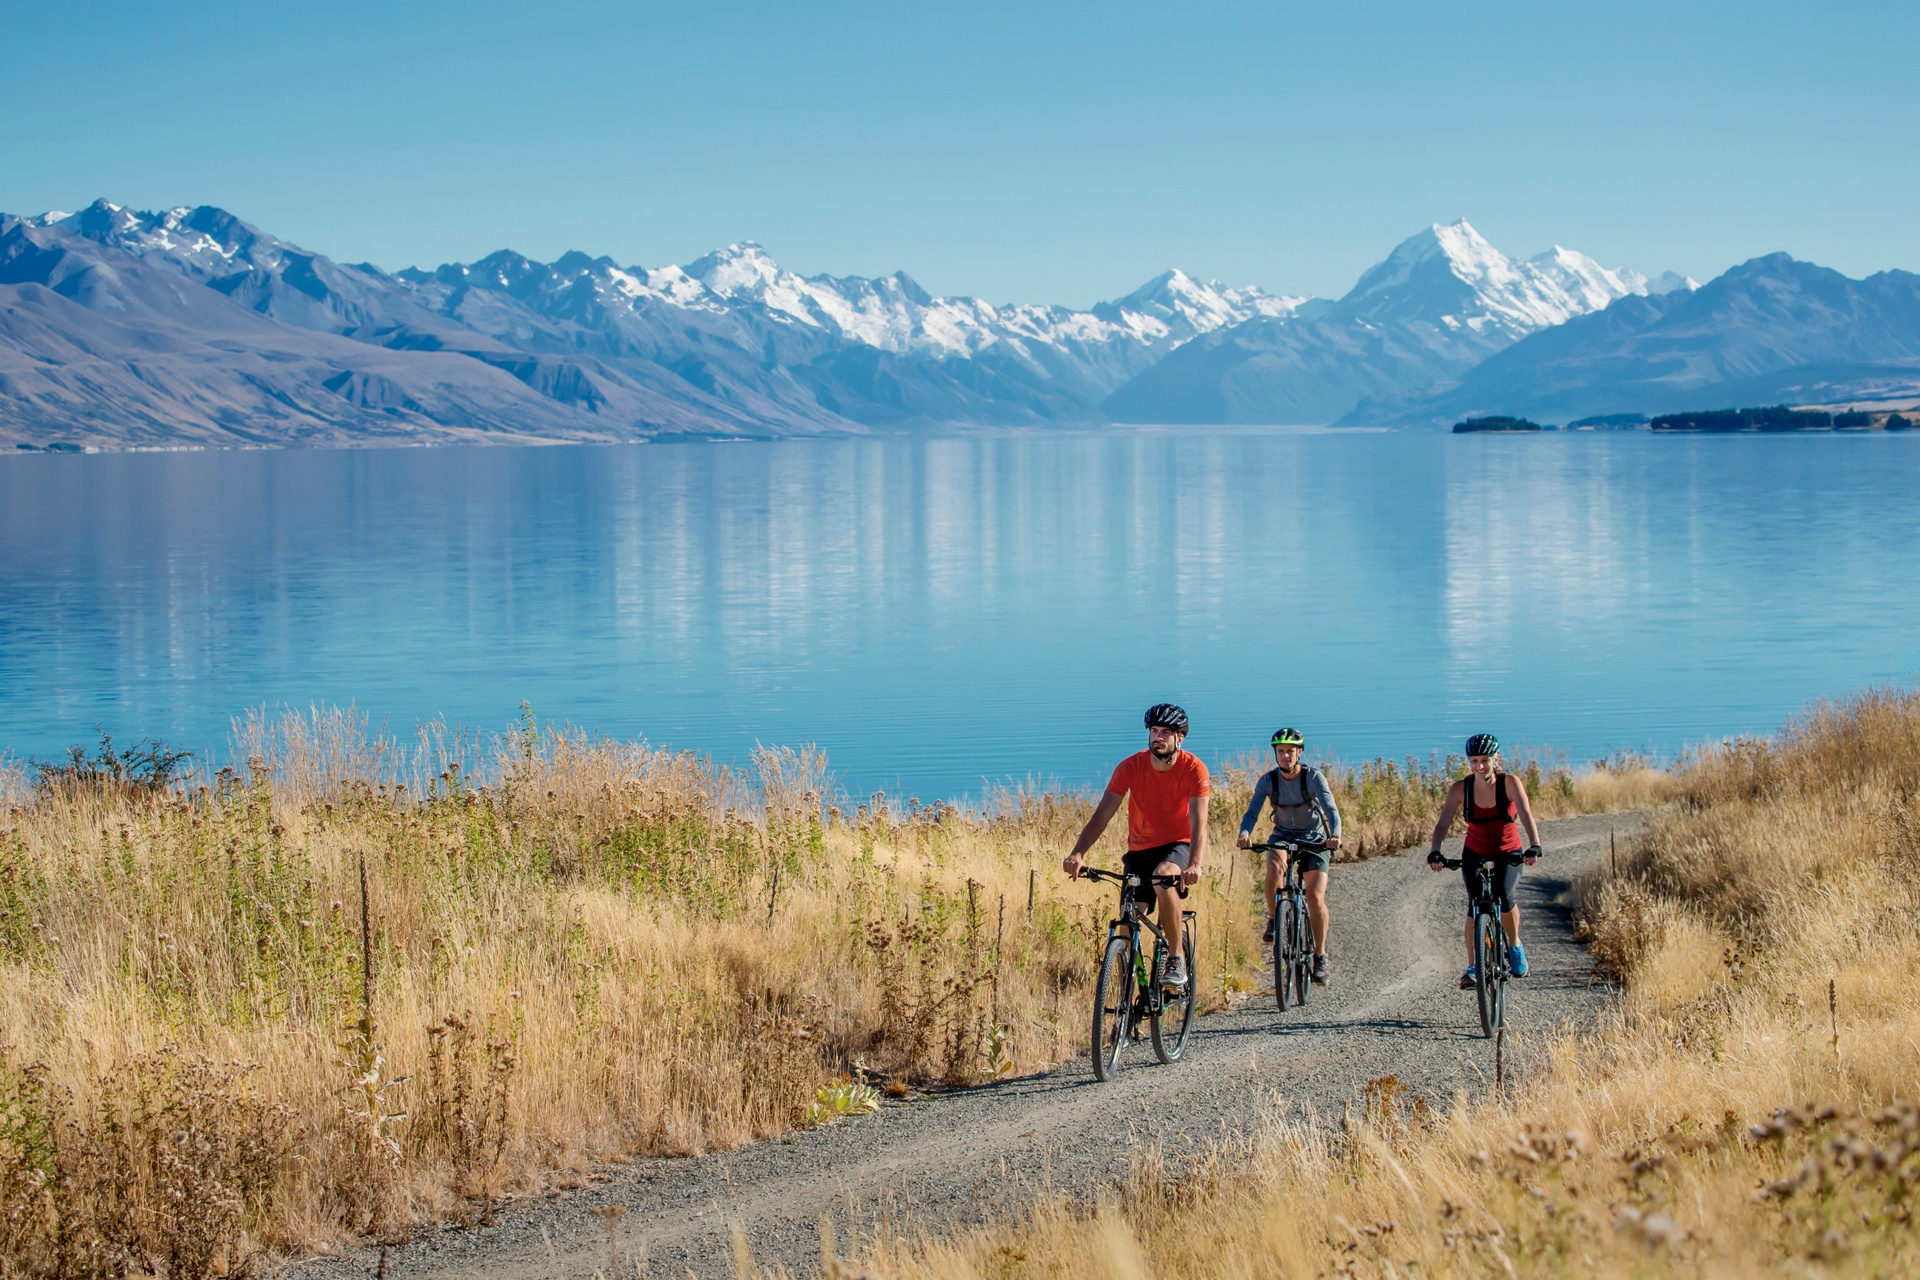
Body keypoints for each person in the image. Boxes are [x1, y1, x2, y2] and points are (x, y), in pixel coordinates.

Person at [1062, 703, 1210, 990]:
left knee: (1163, 876)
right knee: (1128, 924)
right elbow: (1102, 815)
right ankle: (1126, 1013)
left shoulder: (1194, 769)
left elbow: (1199, 822)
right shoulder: (1131, 767)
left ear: (1180, 737)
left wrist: (1195, 863)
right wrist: (1078, 853)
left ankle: (1175, 957)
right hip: (1140, 849)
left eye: (1166, 732)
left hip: (1177, 844)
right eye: (1154, 731)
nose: (1158, 737)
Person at [1425, 733, 1543, 988]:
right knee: (1475, 904)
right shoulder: (1461, 789)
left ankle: (1514, 945)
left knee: (1503, 894)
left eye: (1485, 760)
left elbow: (1526, 815)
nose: (1480, 766)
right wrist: (1435, 851)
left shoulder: (1510, 783)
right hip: (1475, 853)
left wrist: (1534, 845)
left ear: (1496, 759)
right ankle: (1473, 966)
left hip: (1508, 852)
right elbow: (1442, 823)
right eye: (1475, 761)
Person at [1236, 727, 1342, 985]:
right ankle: (1274, 918)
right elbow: (1253, 811)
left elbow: (1331, 809)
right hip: (1283, 835)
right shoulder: (1268, 781)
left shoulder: (1314, 778)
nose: (1285, 756)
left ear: (1299, 753)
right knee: (1273, 870)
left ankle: (1320, 954)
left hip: (1314, 839)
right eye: (1280, 751)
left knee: (1315, 897)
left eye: (1290, 752)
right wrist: (1245, 832)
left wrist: (1335, 836)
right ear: (1275, 753)